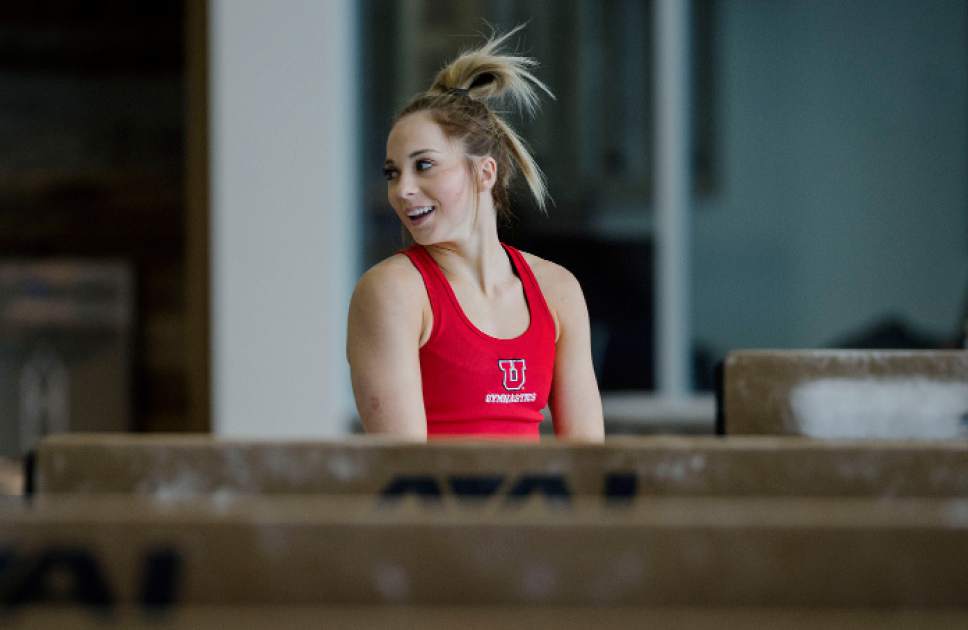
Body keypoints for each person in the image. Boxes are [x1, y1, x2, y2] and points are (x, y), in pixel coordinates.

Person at [347, 26, 604, 441]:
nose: (402, 189)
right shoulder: (392, 291)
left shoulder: (558, 291)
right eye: (392, 173)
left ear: (484, 172)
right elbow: (404, 474)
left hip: (541, 505)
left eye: (424, 165)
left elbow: (590, 463)